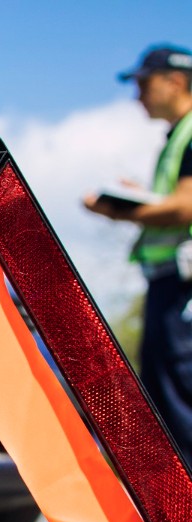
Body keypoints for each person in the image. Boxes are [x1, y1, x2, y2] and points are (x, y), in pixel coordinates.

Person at [84, 44, 192, 461]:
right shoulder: (178, 136)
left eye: (144, 85)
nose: (138, 96)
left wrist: (119, 210)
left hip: (182, 290)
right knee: (166, 398)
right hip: (171, 286)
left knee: (179, 401)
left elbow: (185, 207)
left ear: (176, 81)